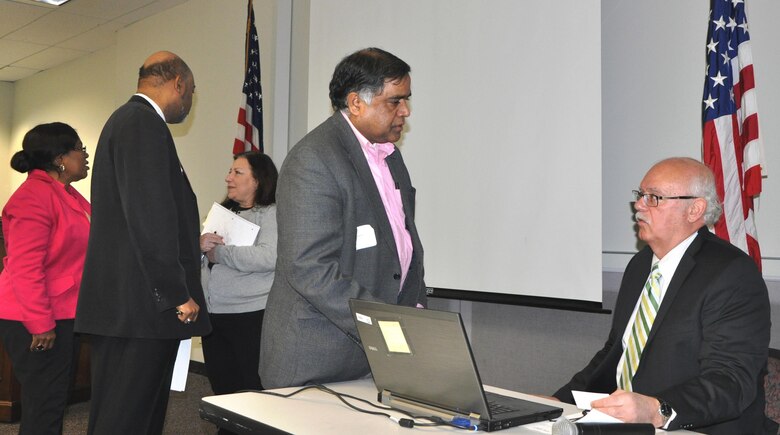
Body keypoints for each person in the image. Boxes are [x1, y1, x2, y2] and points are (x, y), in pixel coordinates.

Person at [553, 157, 775, 434]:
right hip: (626, 426)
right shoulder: (639, 266)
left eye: (654, 198)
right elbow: (616, 352)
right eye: (640, 195)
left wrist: (659, 409)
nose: (639, 206)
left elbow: (730, 380)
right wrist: (559, 401)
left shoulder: (732, 274)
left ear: (695, 209)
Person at [260, 47, 427, 388]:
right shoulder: (314, 159)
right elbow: (310, 268)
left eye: (406, 100)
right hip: (316, 362)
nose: (406, 111)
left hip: (377, 360)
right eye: (395, 101)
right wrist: (387, 328)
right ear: (355, 103)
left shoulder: (390, 157)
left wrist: (415, 317)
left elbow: (403, 247)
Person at [75, 51, 210, 434]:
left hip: (131, 308)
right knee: (127, 420)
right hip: (140, 311)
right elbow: (151, 217)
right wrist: (176, 292)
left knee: (129, 416)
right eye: (192, 92)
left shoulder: (129, 121)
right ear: (178, 84)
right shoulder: (142, 123)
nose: (190, 102)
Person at [0, 122, 90, 435]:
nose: (86, 156)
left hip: (63, 313)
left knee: (51, 401)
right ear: (59, 158)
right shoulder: (33, 197)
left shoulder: (67, 194)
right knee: (45, 405)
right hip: (37, 318)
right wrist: (41, 324)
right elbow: (25, 268)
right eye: (80, 148)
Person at [200, 151, 277, 400]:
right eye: (230, 171)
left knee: (251, 387)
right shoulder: (222, 214)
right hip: (214, 314)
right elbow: (201, 259)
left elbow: (269, 257)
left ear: (257, 180)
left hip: (250, 315)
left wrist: (220, 253)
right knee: (222, 387)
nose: (228, 178)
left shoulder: (272, 214)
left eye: (237, 172)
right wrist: (198, 246)